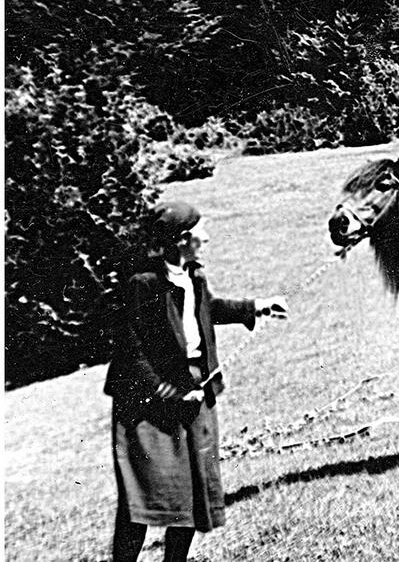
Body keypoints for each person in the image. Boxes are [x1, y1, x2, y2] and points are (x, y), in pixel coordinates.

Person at [104, 200, 289, 562]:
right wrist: (168, 393)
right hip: (146, 403)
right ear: (184, 239)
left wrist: (256, 307)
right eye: (201, 230)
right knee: (141, 498)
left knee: (192, 493)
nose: (206, 237)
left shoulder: (194, 276)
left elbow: (207, 308)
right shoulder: (143, 283)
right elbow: (132, 350)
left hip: (195, 391)